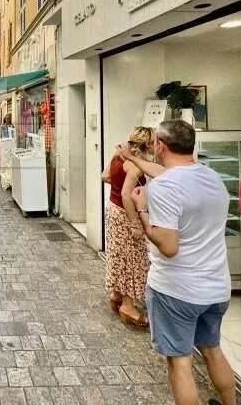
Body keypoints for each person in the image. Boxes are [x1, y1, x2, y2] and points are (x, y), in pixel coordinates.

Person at [120, 120, 235, 405]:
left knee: (180, 362)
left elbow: (168, 247)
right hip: (216, 287)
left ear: (160, 146)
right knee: (212, 350)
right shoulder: (211, 177)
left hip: (177, 290)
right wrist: (133, 158)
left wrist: (142, 209)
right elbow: (169, 175)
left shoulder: (163, 187)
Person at [101, 126, 154, 329]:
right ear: (147, 145)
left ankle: (116, 295)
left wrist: (118, 183)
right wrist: (135, 223)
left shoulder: (118, 155)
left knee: (118, 255)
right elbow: (126, 194)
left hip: (112, 210)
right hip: (125, 214)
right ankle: (128, 307)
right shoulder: (136, 165)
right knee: (133, 259)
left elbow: (105, 176)